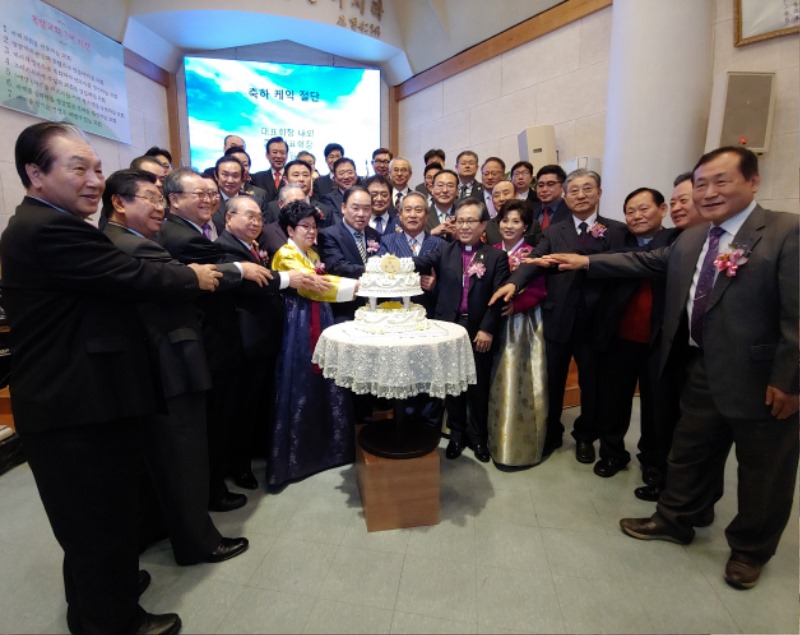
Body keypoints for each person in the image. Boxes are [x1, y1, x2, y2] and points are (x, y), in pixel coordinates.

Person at [542, 147, 799, 590]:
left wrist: (790, 380)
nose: (708, 192)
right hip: (700, 366)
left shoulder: (784, 232)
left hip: (761, 377)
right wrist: (586, 261)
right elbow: (645, 260)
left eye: (721, 181)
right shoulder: (694, 238)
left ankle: (750, 550)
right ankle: (677, 518)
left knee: (763, 470)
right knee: (690, 451)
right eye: (701, 184)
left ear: (753, 181)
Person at [0, 121, 220, 635]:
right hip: (75, 403)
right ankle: (112, 622)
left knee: (96, 517)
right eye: (78, 168)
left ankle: (100, 599)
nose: (95, 180)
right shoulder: (50, 228)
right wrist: (192, 276)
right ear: (35, 173)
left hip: (82, 397)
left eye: (98, 169)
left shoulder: (45, 222)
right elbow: (133, 275)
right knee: (97, 522)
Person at [101, 168, 248, 565]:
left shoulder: (123, 239)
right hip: (169, 363)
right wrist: (201, 275)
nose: (159, 208)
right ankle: (197, 542)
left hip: (151, 364)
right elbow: (191, 280)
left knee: (163, 459)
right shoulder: (134, 246)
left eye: (159, 200)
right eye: (151, 199)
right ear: (119, 202)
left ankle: (164, 527)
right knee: (183, 456)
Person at [490, 169, 628, 463]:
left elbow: (623, 268)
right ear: (565, 196)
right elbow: (534, 260)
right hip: (558, 319)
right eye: (574, 190)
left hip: (597, 321)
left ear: (599, 193)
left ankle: (585, 436)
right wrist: (514, 283)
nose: (581, 195)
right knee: (551, 382)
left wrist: (588, 263)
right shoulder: (554, 231)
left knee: (592, 385)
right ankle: (551, 434)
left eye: (587, 189)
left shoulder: (616, 230)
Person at [268, 200, 360, 487]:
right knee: (302, 382)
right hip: (300, 325)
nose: (311, 231)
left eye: (314, 226)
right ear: (289, 230)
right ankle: (298, 459)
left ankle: (329, 450)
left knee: (324, 383)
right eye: (305, 227)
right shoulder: (286, 255)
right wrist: (358, 287)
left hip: (319, 319)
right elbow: (316, 287)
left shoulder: (311, 254)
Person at [590, 187, 677, 480]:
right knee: (613, 401)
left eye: (643, 209)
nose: (636, 216)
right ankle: (612, 453)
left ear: (662, 210)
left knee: (656, 406)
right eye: (630, 211)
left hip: (658, 342)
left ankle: (653, 462)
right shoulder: (617, 242)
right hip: (619, 338)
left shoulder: (676, 241)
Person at [414, 197, 510, 463]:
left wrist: (487, 329)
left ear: (483, 225)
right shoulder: (444, 250)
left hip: (478, 328)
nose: (465, 226)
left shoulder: (496, 256)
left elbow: (499, 297)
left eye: (471, 221)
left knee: (477, 384)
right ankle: (457, 434)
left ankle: (478, 437)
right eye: (460, 221)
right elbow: (418, 263)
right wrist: (387, 264)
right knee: (453, 383)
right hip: (448, 327)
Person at [215, 195, 285, 490]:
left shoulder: (250, 246)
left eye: (258, 217)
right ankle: (239, 467)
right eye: (249, 216)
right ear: (229, 218)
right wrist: (288, 279)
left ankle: (251, 454)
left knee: (254, 403)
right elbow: (253, 286)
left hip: (260, 339)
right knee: (242, 407)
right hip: (245, 341)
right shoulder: (225, 248)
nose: (255, 222)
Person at [487, 200, 548, 468]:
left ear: (525, 226)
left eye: (516, 221)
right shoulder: (490, 251)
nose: (509, 226)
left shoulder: (532, 254)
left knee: (513, 377)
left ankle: (510, 439)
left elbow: (540, 289)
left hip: (521, 323)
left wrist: (517, 305)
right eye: (505, 220)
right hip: (491, 321)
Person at [251, 136, 289, 203]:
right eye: (275, 152)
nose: (279, 156)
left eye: (282, 153)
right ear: (267, 155)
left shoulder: (291, 176)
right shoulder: (256, 178)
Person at [532, 164, 569, 229]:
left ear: (563, 186)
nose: (544, 189)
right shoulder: (532, 213)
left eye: (550, 184)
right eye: (540, 185)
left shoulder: (571, 212)